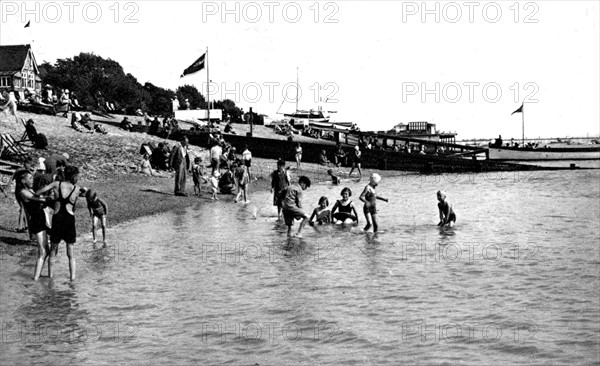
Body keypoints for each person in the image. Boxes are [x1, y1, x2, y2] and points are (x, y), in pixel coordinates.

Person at [36, 166, 86, 280]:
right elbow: (86, 194)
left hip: (57, 219)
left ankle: (50, 277)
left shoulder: (56, 184)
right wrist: (85, 190)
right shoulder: (76, 189)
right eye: (77, 176)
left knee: (53, 250)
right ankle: (72, 279)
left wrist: (48, 198)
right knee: (71, 253)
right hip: (69, 221)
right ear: (74, 176)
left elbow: (39, 192)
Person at [15, 170, 49, 280]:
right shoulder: (23, 191)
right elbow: (38, 199)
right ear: (23, 180)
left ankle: (37, 276)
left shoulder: (28, 189)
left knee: (46, 251)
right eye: (30, 178)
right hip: (36, 221)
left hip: (40, 219)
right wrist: (52, 198)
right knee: (42, 252)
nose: (32, 179)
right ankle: (35, 279)